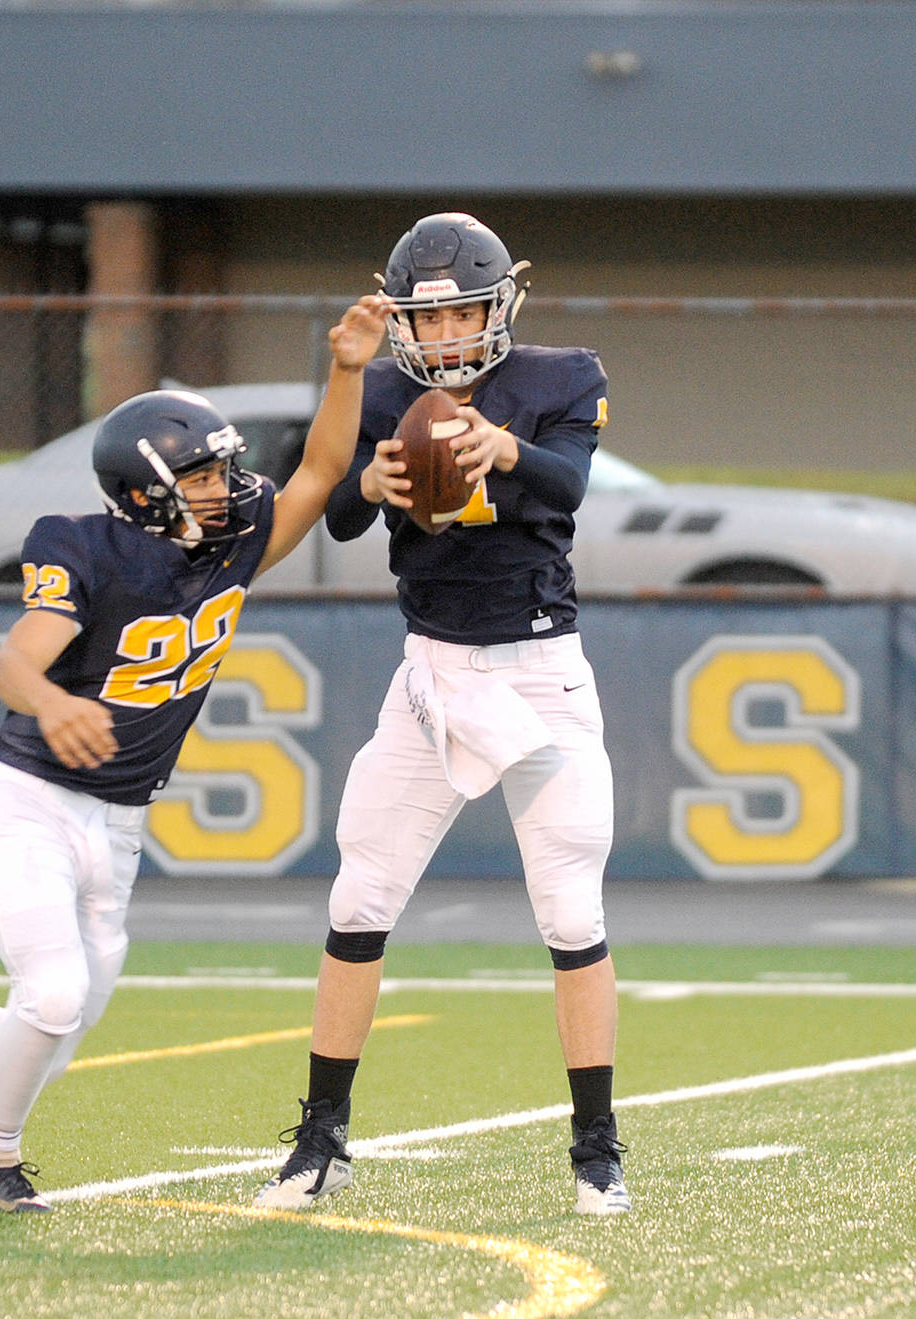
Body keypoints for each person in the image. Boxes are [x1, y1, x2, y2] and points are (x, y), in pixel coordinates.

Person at [0, 293, 392, 1213]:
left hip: (119, 821)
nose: (230, 489)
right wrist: (54, 701)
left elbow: (322, 469)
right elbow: (15, 659)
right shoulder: (83, 549)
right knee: (53, 996)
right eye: (206, 477)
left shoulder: (226, 550)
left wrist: (347, 369)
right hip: (27, 797)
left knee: (49, 1030)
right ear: (150, 491)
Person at [255, 213, 630, 1216]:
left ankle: (597, 1145)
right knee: (359, 895)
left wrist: (499, 444)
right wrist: (372, 478)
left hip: (540, 668)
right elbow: (332, 508)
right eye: (430, 314)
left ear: (501, 303)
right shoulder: (383, 388)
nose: (448, 330)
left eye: (464, 307)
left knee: (570, 906)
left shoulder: (562, 378)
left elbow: (568, 485)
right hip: (430, 671)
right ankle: (319, 1139)